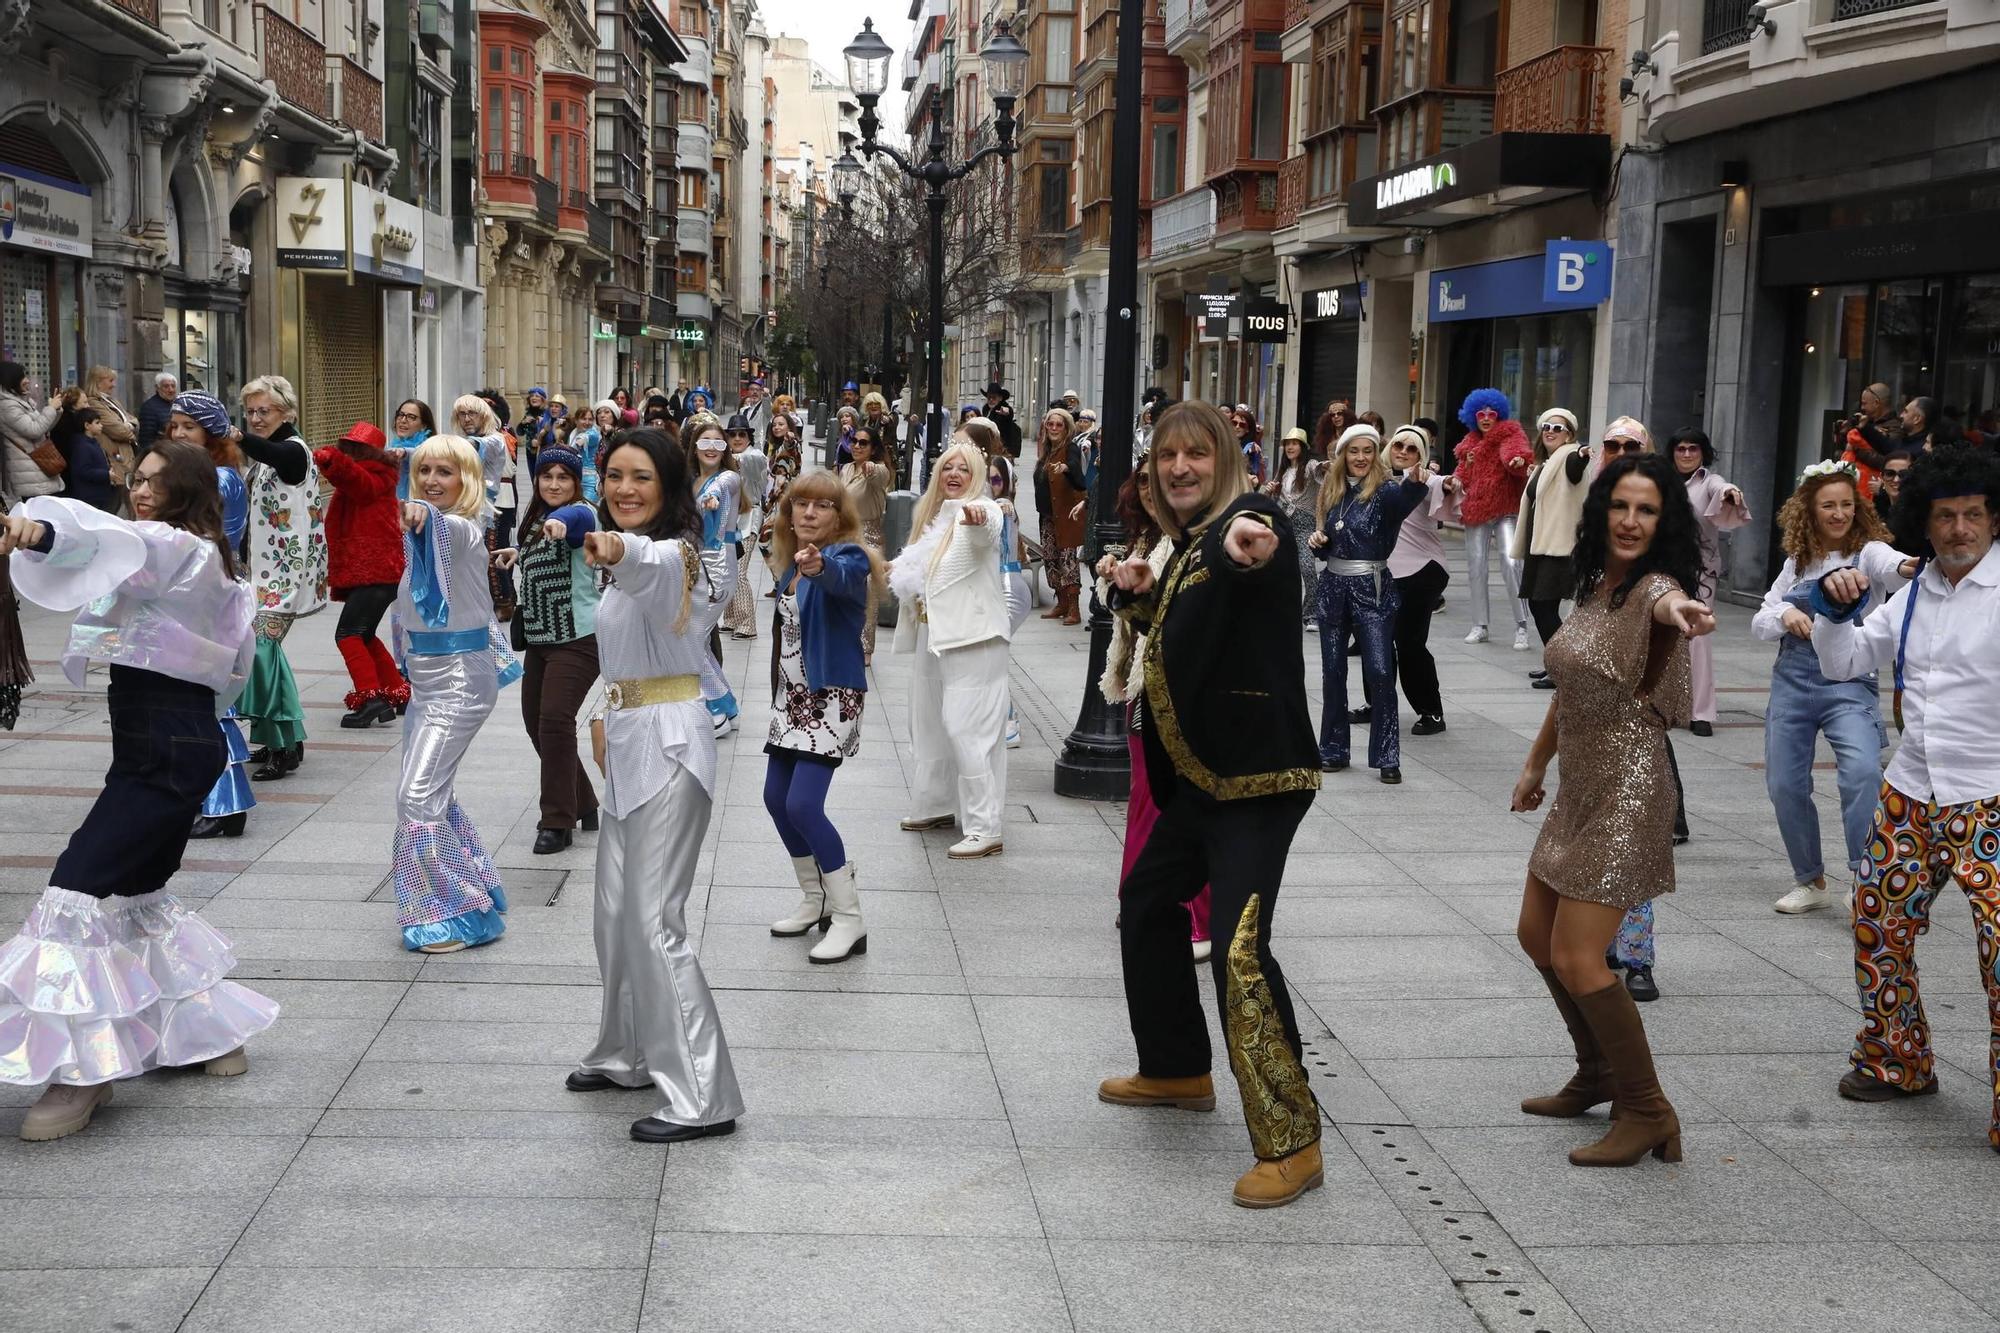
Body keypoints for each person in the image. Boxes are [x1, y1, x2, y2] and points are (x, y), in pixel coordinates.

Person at [0, 442, 279, 1141]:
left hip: (163, 750)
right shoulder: (213, 556)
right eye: (139, 477)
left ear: (184, 489)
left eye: (157, 479)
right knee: (138, 897)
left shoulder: (169, 546)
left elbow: (106, 541)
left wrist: (38, 530)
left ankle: (83, 1072)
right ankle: (209, 1035)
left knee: (75, 893)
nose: (142, 488)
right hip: (175, 746)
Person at [1097, 400, 1324, 1208]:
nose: (1180, 469)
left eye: (1197, 455)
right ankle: (1176, 1067)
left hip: (1259, 786)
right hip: (1199, 784)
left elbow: (1253, 545)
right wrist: (1136, 597)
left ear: (1224, 460)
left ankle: (1293, 1137)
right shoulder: (1183, 544)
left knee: (1238, 949)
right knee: (1148, 905)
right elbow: (1187, 631)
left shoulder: (1245, 523)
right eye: (1167, 457)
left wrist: (1243, 542)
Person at [1510, 452, 1713, 1167]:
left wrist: (1680, 609)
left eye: (1648, 510)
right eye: (1621, 506)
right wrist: (1539, 760)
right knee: (1537, 934)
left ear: (1664, 522)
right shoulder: (1600, 584)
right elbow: (1570, 686)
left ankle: (1648, 1108)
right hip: (1581, 786)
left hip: (1630, 789)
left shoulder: (1655, 586)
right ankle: (1595, 1072)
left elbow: (1668, 605)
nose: (1631, 520)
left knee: (1579, 955)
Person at [1810, 444, 2000, 1150]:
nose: (1959, 529)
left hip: (1990, 796)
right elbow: (1847, 660)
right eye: (1946, 516)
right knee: (1878, 923)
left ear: (1993, 519)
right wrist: (1833, 613)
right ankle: (1897, 1060)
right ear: (1924, 520)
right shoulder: (1915, 592)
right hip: (1911, 790)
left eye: (1973, 515)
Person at [566, 428, 744, 1145]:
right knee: (613, 914)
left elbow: (645, 562)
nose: (624, 488)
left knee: (653, 921)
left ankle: (704, 1091)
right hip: (630, 738)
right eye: (613, 475)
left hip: (671, 747)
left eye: (641, 477)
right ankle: (628, 1051)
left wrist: (615, 547)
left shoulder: (679, 558)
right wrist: (602, 715)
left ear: (669, 487)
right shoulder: (643, 556)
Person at [1754, 459, 1912, 915]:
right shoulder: (1795, 563)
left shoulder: (1870, 553)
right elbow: (1761, 618)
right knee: (1784, 783)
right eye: (1829, 505)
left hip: (1850, 682)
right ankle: (1810, 879)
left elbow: (1897, 567)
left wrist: (1917, 566)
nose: (1839, 513)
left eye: (1846, 504)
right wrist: (1785, 614)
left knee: (1862, 772)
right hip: (1792, 681)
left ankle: (1865, 879)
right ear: (1810, 510)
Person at [389, 434, 513, 954]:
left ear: (466, 479)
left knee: (415, 795)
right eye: (424, 471)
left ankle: (450, 911)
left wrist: (420, 514)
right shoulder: (431, 527)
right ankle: (471, 883)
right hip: (427, 680)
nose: (433, 481)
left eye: (445, 472)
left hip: (459, 682)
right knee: (430, 789)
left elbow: (437, 526)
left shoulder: (457, 527)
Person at [763, 471, 879, 963]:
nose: (809, 513)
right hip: (793, 699)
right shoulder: (787, 564)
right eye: (801, 504)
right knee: (775, 799)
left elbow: (841, 576)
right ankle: (817, 900)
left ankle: (850, 919)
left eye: (823, 506)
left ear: (839, 516)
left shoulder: (845, 556)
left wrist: (817, 568)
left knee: (804, 805)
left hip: (831, 697)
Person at [1096, 467, 1212, 960]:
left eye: (1158, 482)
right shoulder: (1148, 538)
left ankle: (1194, 916)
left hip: (1175, 691)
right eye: (1143, 480)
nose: (1151, 488)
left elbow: (1175, 615)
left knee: (1168, 802)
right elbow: (1136, 615)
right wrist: (1117, 579)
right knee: (1146, 796)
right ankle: (1141, 898)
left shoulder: (1191, 542)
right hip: (1142, 686)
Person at [890, 440, 1013, 859]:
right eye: (947, 468)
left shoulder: (982, 509)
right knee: (927, 722)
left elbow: (986, 530)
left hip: (973, 636)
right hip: (933, 633)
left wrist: (980, 519)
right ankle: (936, 804)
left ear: (977, 475)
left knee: (967, 727)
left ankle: (984, 826)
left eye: (964, 468)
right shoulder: (933, 516)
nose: (955, 475)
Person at [164, 394, 264, 834]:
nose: (179, 433)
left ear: (211, 432)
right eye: (175, 425)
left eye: (189, 426)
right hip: (190, 593)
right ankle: (209, 798)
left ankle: (224, 806)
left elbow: (202, 538)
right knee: (195, 699)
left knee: (207, 701)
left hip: (208, 596)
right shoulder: (195, 473)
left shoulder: (219, 477)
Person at [1310, 424, 1430, 785]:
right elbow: (1330, 543)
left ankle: (1387, 754)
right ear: (1343, 453)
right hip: (1332, 588)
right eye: (1353, 451)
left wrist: (1416, 480)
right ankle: (1333, 749)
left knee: (1379, 672)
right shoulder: (1331, 492)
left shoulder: (1387, 492)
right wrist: (1319, 543)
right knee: (1332, 673)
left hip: (1372, 590)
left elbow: (1409, 496)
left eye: (1367, 451)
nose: (1360, 458)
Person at [508, 447, 602, 854]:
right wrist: (518, 555)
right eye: (547, 476)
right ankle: (584, 801)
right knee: (537, 724)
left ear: (577, 482)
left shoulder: (582, 513)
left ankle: (557, 821)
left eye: (564, 477)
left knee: (555, 720)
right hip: (540, 638)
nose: (554, 484)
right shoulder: (532, 523)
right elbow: (539, 551)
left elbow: (575, 522)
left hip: (579, 637)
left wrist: (561, 521)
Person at [236, 376, 325, 779]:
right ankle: (281, 739)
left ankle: (284, 746)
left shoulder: (293, 450)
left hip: (287, 577)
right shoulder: (272, 451)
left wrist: (234, 436)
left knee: (261, 652)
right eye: (250, 411)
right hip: (264, 574)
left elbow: (275, 454)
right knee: (261, 654)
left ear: (287, 412)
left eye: (264, 411)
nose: (256, 418)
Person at [312, 422, 409, 729]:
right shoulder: (373, 475)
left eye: (353, 448)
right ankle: (395, 692)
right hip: (376, 572)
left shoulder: (375, 476)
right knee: (363, 634)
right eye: (346, 448)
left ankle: (370, 697)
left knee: (348, 634)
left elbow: (357, 481)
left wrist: (333, 461)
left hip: (375, 571)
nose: (348, 452)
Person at [1668, 426, 1751, 737]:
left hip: (1700, 570)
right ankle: (1665, 704)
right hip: (1661, 568)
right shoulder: (1661, 481)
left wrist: (1730, 492)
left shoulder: (1708, 481)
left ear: (1703, 454)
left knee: (1698, 635)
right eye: (1681, 449)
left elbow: (1721, 488)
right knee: (1662, 635)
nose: (1687, 454)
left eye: (1693, 449)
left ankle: (1700, 712)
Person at [1447, 388, 1533, 649]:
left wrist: (1517, 462)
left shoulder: (1509, 434)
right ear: (1473, 416)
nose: (1486, 417)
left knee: (1510, 562)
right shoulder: (1469, 443)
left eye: (1491, 413)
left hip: (1504, 508)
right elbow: (1462, 472)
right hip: (1475, 509)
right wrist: (1455, 480)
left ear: (1499, 414)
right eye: (1480, 413)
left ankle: (1522, 625)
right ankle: (1480, 624)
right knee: (1476, 566)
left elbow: (1513, 454)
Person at [1381, 425, 1453, 735]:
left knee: (1408, 642)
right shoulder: (1378, 480)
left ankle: (1431, 712)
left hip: (1423, 571)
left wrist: (1450, 483)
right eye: (1399, 445)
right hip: (1383, 572)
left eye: (1412, 449)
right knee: (1378, 642)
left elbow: (1445, 485)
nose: (1403, 452)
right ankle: (1377, 705)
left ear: (1421, 456)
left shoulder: (1424, 479)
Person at [1512, 408, 1591, 683]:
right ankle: (1555, 663)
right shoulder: (1546, 464)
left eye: (1558, 428)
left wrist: (1581, 457)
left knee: (1543, 607)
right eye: (1546, 426)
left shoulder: (1569, 455)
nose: (1550, 431)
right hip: (1541, 547)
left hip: (1558, 549)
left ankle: (1563, 669)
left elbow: (1575, 467)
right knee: (1539, 606)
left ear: (1569, 434)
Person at [690, 416, 746, 736]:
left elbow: (718, 498)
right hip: (694, 568)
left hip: (718, 569)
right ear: (695, 447)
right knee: (698, 640)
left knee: (690, 641)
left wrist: (705, 504)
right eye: (705, 443)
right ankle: (726, 706)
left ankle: (717, 710)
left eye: (718, 443)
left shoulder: (728, 479)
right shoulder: (691, 480)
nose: (711, 449)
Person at [984, 441, 1032, 748]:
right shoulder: (983, 505)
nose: (991, 485)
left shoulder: (1002, 507)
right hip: (997, 588)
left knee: (992, 655)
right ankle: (1001, 718)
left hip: (1008, 590)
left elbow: (1005, 509)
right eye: (986, 479)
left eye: (997, 479)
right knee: (989, 656)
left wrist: (1003, 504)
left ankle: (1009, 720)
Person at [452, 394, 516, 624]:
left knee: (485, 563)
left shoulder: (495, 440)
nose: (467, 419)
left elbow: (477, 445)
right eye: (462, 414)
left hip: (484, 512)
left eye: (472, 413)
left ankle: (501, 603)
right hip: (460, 512)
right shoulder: (463, 439)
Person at [1265, 426, 1325, 629]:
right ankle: (1280, 610)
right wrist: (1270, 490)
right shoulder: (1282, 471)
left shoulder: (1309, 466)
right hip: (1283, 525)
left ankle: (1311, 614)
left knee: (1308, 569)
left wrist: (1327, 465)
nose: (1290, 447)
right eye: (1287, 444)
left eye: (1294, 443)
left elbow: (1319, 470)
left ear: (1302, 447)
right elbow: (1272, 500)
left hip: (1305, 526)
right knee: (1277, 570)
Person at [1033, 407, 1086, 625]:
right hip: (1047, 516)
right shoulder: (1046, 450)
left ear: (1066, 428)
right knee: (1051, 559)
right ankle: (1062, 602)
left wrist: (1066, 468)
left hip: (1065, 515)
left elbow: (1076, 471)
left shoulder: (1070, 448)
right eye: (1050, 424)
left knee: (1068, 559)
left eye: (1059, 425)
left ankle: (1074, 608)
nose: (1054, 428)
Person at [719, 413, 768, 641]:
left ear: (749, 436)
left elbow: (755, 463)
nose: (737, 438)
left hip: (749, 519)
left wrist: (735, 459)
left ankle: (747, 624)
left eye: (742, 434)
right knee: (728, 569)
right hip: (728, 520)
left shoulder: (755, 456)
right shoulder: (723, 458)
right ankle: (730, 619)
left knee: (739, 571)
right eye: (732, 434)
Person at [0, 361, 62, 505]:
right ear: (11, 380)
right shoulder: (7, 406)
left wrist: (56, 410)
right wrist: (51, 408)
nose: (27, 380)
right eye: (23, 377)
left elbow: (44, 428)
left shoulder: (20, 401)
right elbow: (34, 430)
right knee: (39, 520)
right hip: (28, 474)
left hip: (36, 470)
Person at [82, 366, 138, 513]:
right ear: (98, 382)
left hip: (125, 457)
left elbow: (133, 420)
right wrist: (128, 428)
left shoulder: (111, 401)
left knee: (121, 502)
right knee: (113, 506)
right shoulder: (94, 403)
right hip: (114, 458)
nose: (113, 385)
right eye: (110, 380)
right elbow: (118, 430)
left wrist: (129, 425)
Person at [50, 395, 117, 512]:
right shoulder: (81, 446)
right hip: (90, 497)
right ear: (87, 425)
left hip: (98, 494)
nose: (101, 425)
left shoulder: (92, 442)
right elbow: (83, 471)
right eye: (97, 423)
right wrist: (106, 475)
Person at [1838, 382, 1902, 499]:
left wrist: (1857, 449)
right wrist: (1844, 435)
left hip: (1874, 493)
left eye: (1864, 404)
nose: (1862, 408)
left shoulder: (1894, 427)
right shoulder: (1867, 423)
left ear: (1877, 403)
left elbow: (1886, 461)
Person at [388, 398, 435, 500]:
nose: (403, 420)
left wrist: (404, 453)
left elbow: (420, 454)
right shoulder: (392, 448)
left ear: (424, 425)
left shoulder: (431, 449)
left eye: (411, 417)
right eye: (401, 415)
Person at [136, 370, 179, 453]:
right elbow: (146, 440)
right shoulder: (149, 407)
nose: (170, 390)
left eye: (173, 386)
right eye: (166, 386)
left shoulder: (178, 404)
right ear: (157, 388)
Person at [1875, 450, 1913, 527]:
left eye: (1903, 474)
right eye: (1890, 474)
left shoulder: (1920, 514)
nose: (1896, 480)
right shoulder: (1875, 511)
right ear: (1882, 477)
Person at [984, 382, 1022, 457]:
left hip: (1003, 448)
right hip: (988, 446)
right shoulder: (985, 409)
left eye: (994, 397)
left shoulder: (1003, 408)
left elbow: (1009, 413)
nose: (991, 400)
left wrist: (1007, 413)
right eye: (989, 397)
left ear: (1000, 398)